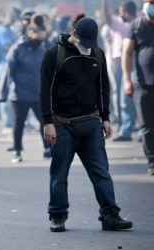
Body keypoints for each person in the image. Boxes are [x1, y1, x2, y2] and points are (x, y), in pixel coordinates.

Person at [41, 13, 132, 232]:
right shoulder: (55, 54)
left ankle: (110, 215)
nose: (88, 47)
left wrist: (106, 118)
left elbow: (103, 88)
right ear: (74, 33)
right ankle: (57, 215)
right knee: (59, 174)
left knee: (101, 172)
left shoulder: (97, 54)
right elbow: (45, 90)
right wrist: (48, 122)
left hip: (90, 123)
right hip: (62, 124)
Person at [0, 14, 49, 163]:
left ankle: (47, 149)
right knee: (19, 122)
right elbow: (8, 71)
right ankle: (17, 150)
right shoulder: (18, 48)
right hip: (20, 93)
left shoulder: (42, 49)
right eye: (38, 35)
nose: (40, 39)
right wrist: (4, 93)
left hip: (38, 93)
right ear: (30, 33)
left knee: (44, 121)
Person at [123, 0, 154, 176]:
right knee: (147, 126)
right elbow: (126, 53)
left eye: (151, 1)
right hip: (143, 85)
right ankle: (152, 162)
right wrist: (127, 79)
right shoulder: (136, 25)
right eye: (146, 1)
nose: (148, 5)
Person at [101, 0, 138, 142]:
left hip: (133, 60)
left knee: (131, 96)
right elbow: (106, 16)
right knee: (118, 94)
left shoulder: (138, 22)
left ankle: (132, 128)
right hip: (118, 60)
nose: (120, 13)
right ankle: (124, 125)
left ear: (126, 11)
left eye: (122, 11)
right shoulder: (116, 23)